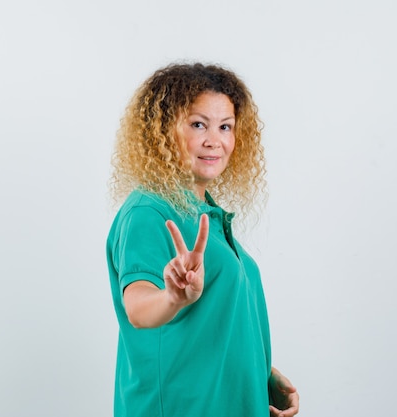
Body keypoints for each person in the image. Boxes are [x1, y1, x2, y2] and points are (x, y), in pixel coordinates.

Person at [106, 62, 299, 417]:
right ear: (162, 131)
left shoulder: (205, 214)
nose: (215, 140)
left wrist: (260, 374)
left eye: (225, 126)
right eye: (198, 125)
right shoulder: (149, 212)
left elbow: (212, 321)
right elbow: (138, 307)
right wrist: (171, 297)